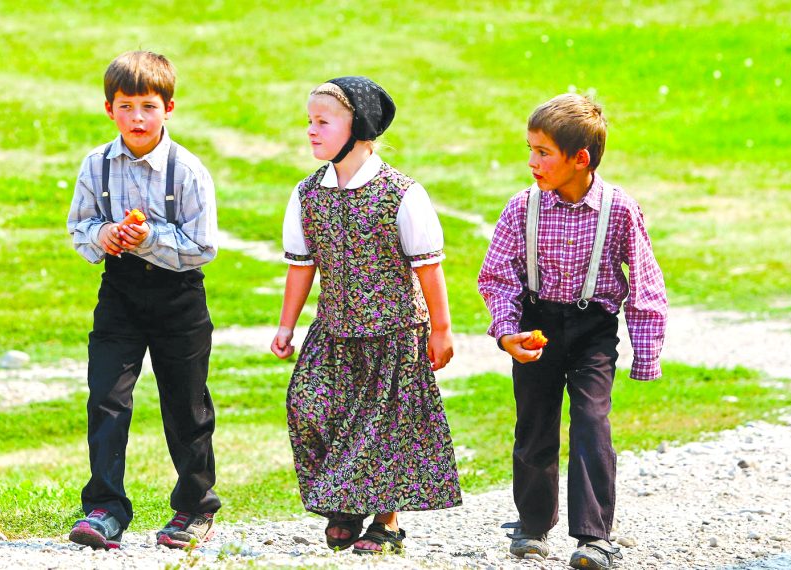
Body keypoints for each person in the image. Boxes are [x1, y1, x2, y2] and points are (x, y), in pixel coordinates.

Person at [271, 76, 462, 555]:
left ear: (359, 127)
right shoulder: (307, 193)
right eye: (309, 122)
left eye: (323, 122)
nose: (311, 131)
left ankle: (386, 524)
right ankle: (345, 503)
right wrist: (286, 325)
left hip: (393, 332)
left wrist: (441, 329)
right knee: (308, 408)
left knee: (386, 426)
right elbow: (301, 266)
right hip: (333, 330)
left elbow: (428, 267)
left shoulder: (401, 193)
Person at [478, 93, 668, 570]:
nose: (532, 162)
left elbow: (645, 282)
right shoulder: (523, 207)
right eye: (530, 149)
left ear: (579, 159)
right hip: (536, 325)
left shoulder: (619, 209)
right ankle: (533, 524)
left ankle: (594, 537)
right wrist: (507, 334)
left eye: (542, 152)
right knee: (535, 423)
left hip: (593, 330)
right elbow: (497, 276)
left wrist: (646, 356)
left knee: (591, 422)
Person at [65, 50, 220, 551]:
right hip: (121, 293)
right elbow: (79, 229)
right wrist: (105, 235)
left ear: (169, 109)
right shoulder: (96, 166)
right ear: (109, 108)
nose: (137, 117)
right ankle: (105, 507)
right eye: (126, 105)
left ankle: (193, 508)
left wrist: (148, 237)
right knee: (107, 399)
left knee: (186, 404)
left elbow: (203, 246)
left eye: (148, 106)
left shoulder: (187, 171)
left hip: (179, 298)